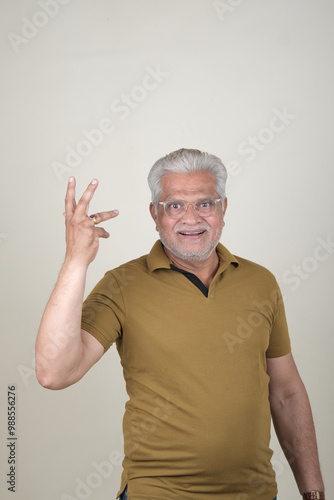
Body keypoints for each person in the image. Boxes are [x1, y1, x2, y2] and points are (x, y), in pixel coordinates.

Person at [35, 148, 325, 500]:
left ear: (223, 209)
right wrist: (75, 260)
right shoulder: (122, 285)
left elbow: (286, 392)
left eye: (205, 204)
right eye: (174, 205)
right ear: (154, 214)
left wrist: (312, 490)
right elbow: (54, 372)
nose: (191, 218)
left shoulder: (261, 282)